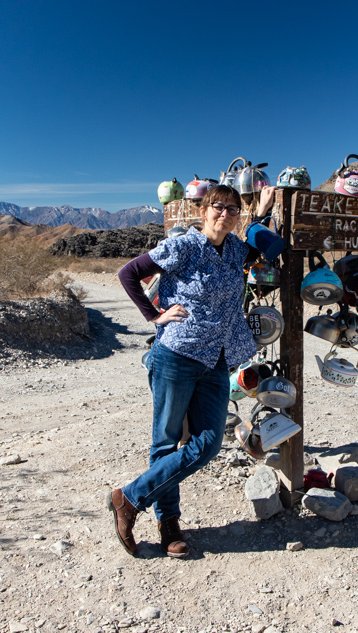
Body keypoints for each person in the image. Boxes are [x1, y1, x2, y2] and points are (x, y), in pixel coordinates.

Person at [110, 184, 276, 558]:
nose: (225, 214)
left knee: (208, 444)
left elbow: (258, 244)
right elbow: (129, 273)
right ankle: (169, 525)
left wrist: (261, 213)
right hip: (177, 354)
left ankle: (129, 497)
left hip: (217, 359)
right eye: (218, 207)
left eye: (233, 209)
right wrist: (154, 316)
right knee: (166, 441)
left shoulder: (236, 249)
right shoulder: (183, 246)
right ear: (203, 211)